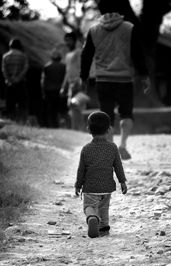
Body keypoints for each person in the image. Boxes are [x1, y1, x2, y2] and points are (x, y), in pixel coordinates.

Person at [80, 0, 151, 160]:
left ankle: (111, 148)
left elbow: (86, 56)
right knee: (126, 113)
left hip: (103, 80)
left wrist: (83, 78)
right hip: (124, 79)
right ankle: (123, 144)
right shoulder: (128, 28)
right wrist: (144, 75)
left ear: (101, 9)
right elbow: (137, 54)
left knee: (106, 113)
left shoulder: (94, 30)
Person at [75, 111, 127, 238]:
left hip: (91, 187)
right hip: (106, 187)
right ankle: (103, 228)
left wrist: (78, 185)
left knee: (89, 206)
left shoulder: (86, 149)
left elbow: (81, 169)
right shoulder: (113, 147)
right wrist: (122, 182)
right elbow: (118, 167)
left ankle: (92, 217)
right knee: (104, 207)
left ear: (89, 130)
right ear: (109, 130)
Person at [60, 32, 87, 131]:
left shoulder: (78, 52)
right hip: (71, 84)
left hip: (77, 83)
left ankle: (80, 129)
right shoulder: (68, 55)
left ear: (74, 41)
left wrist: (80, 81)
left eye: (69, 40)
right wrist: (63, 86)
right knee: (72, 106)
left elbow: (82, 68)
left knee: (77, 106)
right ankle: (76, 129)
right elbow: (67, 72)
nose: (67, 42)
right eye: (66, 40)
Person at [1, 38, 29, 123]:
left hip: (9, 84)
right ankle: (21, 121)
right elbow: (25, 68)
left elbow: (4, 70)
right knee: (21, 103)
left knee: (10, 104)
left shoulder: (5, 56)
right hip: (20, 83)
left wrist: (9, 80)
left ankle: (11, 120)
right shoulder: (23, 56)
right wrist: (18, 78)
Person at [41, 48, 66, 128]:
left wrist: (43, 92)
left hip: (49, 90)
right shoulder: (63, 66)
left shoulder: (47, 66)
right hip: (60, 90)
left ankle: (52, 125)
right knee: (60, 109)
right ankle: (60, 125)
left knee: (51, 109)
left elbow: (43, 81)